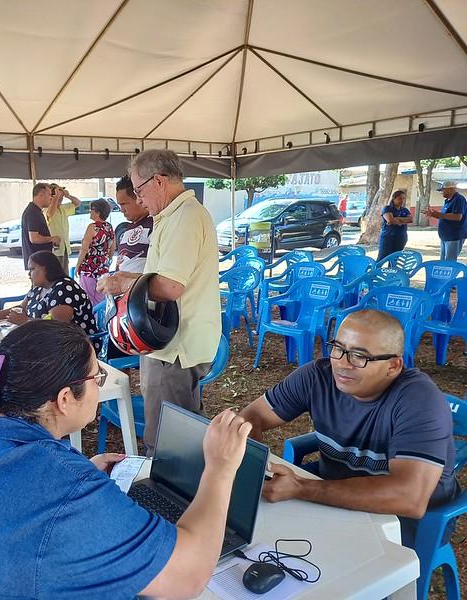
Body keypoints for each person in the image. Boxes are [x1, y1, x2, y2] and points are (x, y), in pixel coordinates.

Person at [0, 319, 251, 599]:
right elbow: (188, 576)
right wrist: (219, 468)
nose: (101, 380)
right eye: (96, 376)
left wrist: (83, 490)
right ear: (64, 399)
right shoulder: (62, 486)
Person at [238, 309, 458, 547]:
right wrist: (255, 467)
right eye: (338, 348)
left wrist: (301, 487)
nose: (342, 364)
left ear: (393, 366)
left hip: (404, 520)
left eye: (359, 356)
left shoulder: (420, 401)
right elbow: (250, 417)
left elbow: (409, 498)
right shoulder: (317, 377)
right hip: (333, 493)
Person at [98, 149, 222, 454]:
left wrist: (122, 282)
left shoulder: (185, 218)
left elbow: (169, 286)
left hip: (175, 348)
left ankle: (172, 498)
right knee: (183, 429)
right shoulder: (175, 215)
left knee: (167, 442)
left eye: (140, 190)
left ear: (159, 181)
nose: (139, 200)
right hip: (172, 343)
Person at [0, 250, 98, 341]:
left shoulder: (65, 288)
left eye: (32, 269)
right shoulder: (39, 288)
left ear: (46, 268)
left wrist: (26, 322)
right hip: (44, 342)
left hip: (72, 346)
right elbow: (21, 308)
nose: (29, 274)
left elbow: (58, 326)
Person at [76, 199, 116, 306]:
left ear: (98, 212)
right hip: (103, 267)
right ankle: (100, 320)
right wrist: (106, 260)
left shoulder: (92, 227)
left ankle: (91, 320)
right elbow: (112, 248)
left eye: (91, 209)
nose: (90, 211)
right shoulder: (109, 227)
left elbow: (84, 249)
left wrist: (78, 265)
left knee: (87, 298)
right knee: (101, 297)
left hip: (89, 267)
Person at [115, 174, 153, 274]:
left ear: (138, 198)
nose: (122, 210)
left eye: (124, 204)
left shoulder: (155, 225)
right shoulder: (129, 228)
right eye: (119, 205)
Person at [20, 182, 61, 268]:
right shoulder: (32, 212)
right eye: (49, 194)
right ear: (41, 195)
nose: (51, 198)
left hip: (40, 260)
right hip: (38, 263)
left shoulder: (36, 211)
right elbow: (34, 238)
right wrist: (52, 238)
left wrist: (50, 241)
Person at [424, 180, 467, 261]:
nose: (441, 193)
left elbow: (458, 217)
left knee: (449, 262)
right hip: (445, 236)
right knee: (443, 261)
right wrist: (433, 214)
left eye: (443, 190)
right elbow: (445, 216)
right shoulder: (448, 201)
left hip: (454, 236)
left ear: (450, 189)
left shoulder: (459, 199)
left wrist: (439, 214)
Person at [46, 183, 81, 273]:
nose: (61, 198)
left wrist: (68, 195)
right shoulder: (47, 209)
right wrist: (56, 197)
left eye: (61, 197)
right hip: (55, 250)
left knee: (65, 274)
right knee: (56, 275)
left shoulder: (62, 208)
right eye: (58, 195)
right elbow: (50, 214)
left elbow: (78, 203)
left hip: (64, 248)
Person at [376, 190, 412, 261]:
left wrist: (397, 219)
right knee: (382, 257)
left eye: (403, 199)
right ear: (394, 198)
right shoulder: (387, 208)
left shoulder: (405, 210)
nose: (401, 201)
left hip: (401, 237)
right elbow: (390, 220)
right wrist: (403, 220)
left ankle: (392, 271)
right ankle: (373, 271)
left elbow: (410, 220)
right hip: (388, 237)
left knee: (395, 259)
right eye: (399, 198)